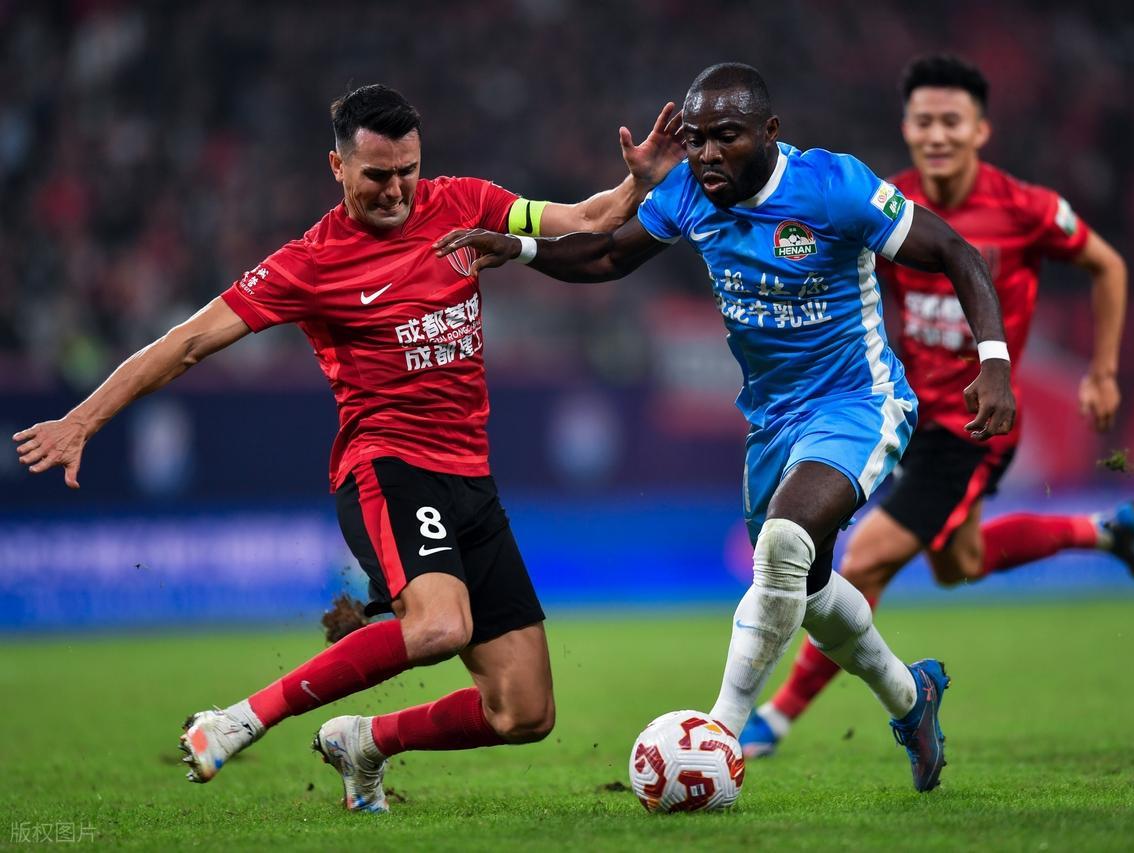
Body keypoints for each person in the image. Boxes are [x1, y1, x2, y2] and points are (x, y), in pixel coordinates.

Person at [11, 84, 685, 813]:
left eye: (408, 171)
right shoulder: (310, 262)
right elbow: (188, 342)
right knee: (440, 626)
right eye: (377, 175)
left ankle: (364, 740)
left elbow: (586, 219)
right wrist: (82, 420)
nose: (396, 190)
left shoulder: (466, 202)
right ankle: (236, 720)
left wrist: (637, 184)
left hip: (471, 480)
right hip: (388, 467)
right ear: (337, 167)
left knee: (524, 712)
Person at [435, 62, 1018, 793]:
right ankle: (911, 697)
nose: (707, 153)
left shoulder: (832, 187)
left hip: (856, 402)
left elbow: (956, 252)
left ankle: (716, 735)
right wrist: (519, 248)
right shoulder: (688, 191)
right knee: (805, 586)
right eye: (696, 138)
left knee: (783, 543)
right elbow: (608, 253)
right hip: (771, 422)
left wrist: (993, 362)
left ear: (769, 132)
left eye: (727, 137)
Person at [738, 54, 1134, 757]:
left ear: (981, 130)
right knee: (960, 562)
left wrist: (1104, 371)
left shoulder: (1024, 208)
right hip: (906, 413)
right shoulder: (887, 200)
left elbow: (1107, 265)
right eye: (923, 121)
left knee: (866, 558)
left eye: (951, 121)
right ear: (906, 127)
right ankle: (1105, 530)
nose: (936, 135)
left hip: (973, 426)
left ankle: (772, 720)